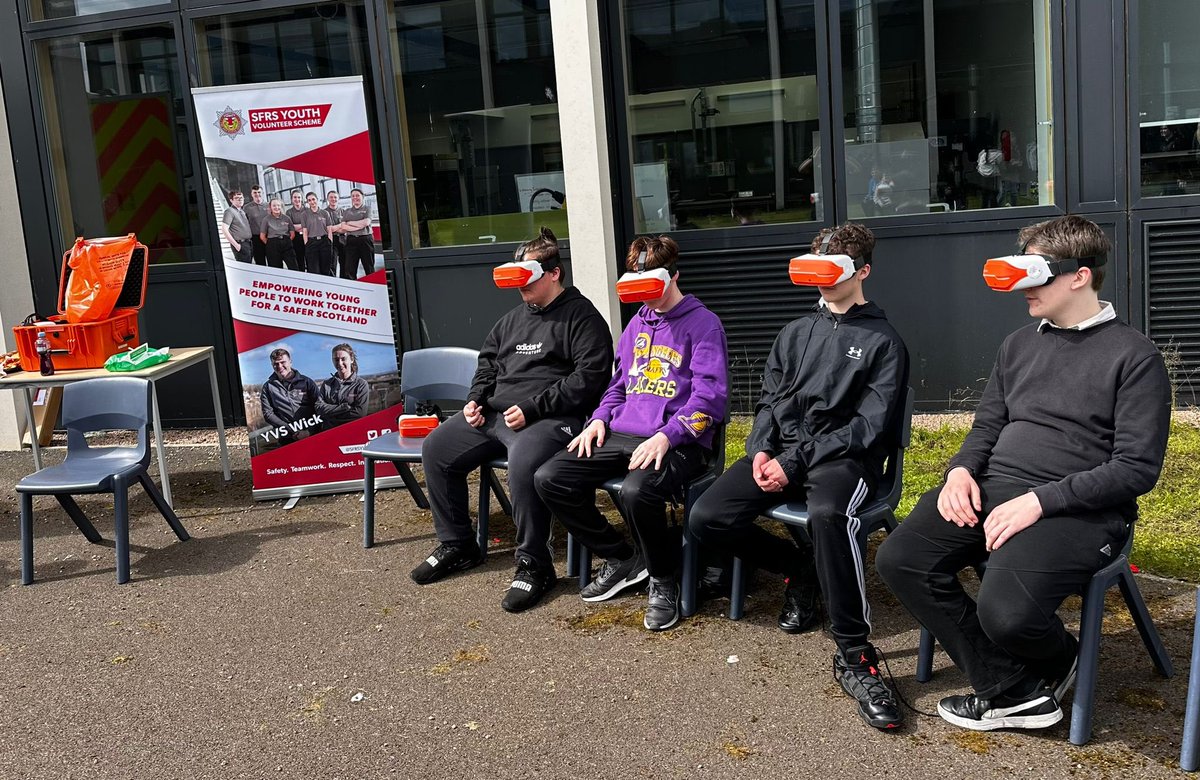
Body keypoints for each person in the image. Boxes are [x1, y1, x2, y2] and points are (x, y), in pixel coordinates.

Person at [877, 215, 1171, 732]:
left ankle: (1058, 659)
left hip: (1080, 510)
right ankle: (1013, 687)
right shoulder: (1018, 344)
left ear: (1080, 275)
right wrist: (961, 471)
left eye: (1036, 274)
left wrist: (1040, 502)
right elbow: (988, 424)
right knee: (902, 558)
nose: (1023, 288)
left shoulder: (1135, 357)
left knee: (1008, 615)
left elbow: (1135, 469)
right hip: (993, 488)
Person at [688, 222, 909, 730]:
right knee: (707, 517)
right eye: (816, 270)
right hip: (781, 453)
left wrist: (797, 461)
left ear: (863, 271)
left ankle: (854, 650)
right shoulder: (794, 331)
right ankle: (800, 569)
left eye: (833, 271)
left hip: (842, 461)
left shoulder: (884, 341)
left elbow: (868, 428)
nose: (822, 281)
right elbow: (769, 399)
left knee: (829, 514)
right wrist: (762, 449)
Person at [413, 227, 614, 613]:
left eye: (528, 279)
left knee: (523, 466)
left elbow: (589, 379)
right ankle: (459, 544)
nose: (521, 289)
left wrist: (535, 408)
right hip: (495, 414)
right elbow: (487, 363)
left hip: (551, 418)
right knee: (436, 448)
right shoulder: (510, 321)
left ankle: (534, 564)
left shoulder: (582, 318)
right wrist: (474, 399)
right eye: (516, 279)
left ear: (553, 273)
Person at [534, 236, 728, 631]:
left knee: (639, 491)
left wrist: (669, 435)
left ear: (675, 275)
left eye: (653, 288)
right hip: (622, 433)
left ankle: (663, 578)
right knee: (550, 477)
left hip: (679, 440)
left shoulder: (703, 324)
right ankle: (625, 557)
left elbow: (711, 400)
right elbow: (618, 384)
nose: (648, 299)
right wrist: (599, 420)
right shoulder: (638, 322)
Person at [259, 348, 319, 436]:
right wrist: (289, 429)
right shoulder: (268, 387)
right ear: (272, 365)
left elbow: (319, 407)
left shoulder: (306, 382)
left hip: (312, 434)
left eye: (283, 362)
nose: (280, 366)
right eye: (276, 364)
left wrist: (310, 431)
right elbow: (268, 414)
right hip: (286, 437)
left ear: (290, 362)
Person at [317, 343, 370, 430]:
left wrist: (330, 416)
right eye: (336, 359)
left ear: (351, 359)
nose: (340, 363)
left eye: (343, 359)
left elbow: (359, 414)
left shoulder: (361, 385)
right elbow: (319, 408)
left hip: (352, 432)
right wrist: (343, 407)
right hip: (329, 434)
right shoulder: (326, 385)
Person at [337, 188, 374, 279]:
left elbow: (366, 223)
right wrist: (359, 225)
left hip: (365, 239)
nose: (355, 197)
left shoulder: (367, 209)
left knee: (368, 267)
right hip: (351, 241)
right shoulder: (347, 211)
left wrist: (349, 223)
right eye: (353, 196)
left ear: (363, 197)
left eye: (357, 195)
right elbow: (343, 226)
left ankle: (373, 289)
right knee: (349, 269)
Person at [300, 192, 335, 276]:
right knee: (314, 270)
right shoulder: (304, 214)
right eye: (309, 200)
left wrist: (330, 242)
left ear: (317, 199)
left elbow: (329, 229)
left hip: (324, 242)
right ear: (307, 202)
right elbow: (305, 231)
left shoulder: (325, 213)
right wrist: (307, 244)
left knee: (325, 269)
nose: (312, 202)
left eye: (313, 199)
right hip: (312, 243)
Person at [260, 198, 298, 271]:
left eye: (278, 205)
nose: (276, 207)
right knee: (276, 269)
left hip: (287, 244)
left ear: (281, 206)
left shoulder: (287, 218)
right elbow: (262, 236)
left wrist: (286, 241)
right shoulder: (266, 219)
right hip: (273, 245)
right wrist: (271, 244)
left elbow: (292, 233)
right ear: (270, 207)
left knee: (294, 267)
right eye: (274, 205)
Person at [219, 190, 253, 264]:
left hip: (248, 243)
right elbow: (224, 229)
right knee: (244, 269)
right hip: (240, 244)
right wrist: (236, 245)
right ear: (231, 200)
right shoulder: (229, 211)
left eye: (241, 197)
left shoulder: (242, 211)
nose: (240, 199)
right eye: (237, 198)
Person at [245, 185, 269, 266]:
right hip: (256, 238)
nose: (257, 194)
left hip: (269, 237)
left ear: (262, 193)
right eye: (255, 192)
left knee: (272, 260)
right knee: (260, 262)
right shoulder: (247, 208)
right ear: (251, 194)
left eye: (259, 192)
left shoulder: (269, 205)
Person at [286, 189, 308, 273]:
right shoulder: (289, 212)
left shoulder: (307, 210)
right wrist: (304, 226)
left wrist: (298, 226)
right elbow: (290, 227)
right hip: (296, 239)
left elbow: (311, 224)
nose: (297, 199)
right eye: (294, 197)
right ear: (291, 199)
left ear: (302, 198)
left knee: (310, 260)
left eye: (299, 197)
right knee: (299, 261)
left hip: (308, 237)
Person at [324, 191, 345, 277]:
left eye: (335, 197)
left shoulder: (343, 211)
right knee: (332, 265)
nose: (333, 199)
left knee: (345, 264)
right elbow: (327, 229)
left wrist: (334, 228)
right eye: (331, 197)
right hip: (331, 241)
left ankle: (344, 283)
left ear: (338, 199)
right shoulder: (324, 212)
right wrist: (340, 225)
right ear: (328, 199)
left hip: (343, 240)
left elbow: (346, 227)